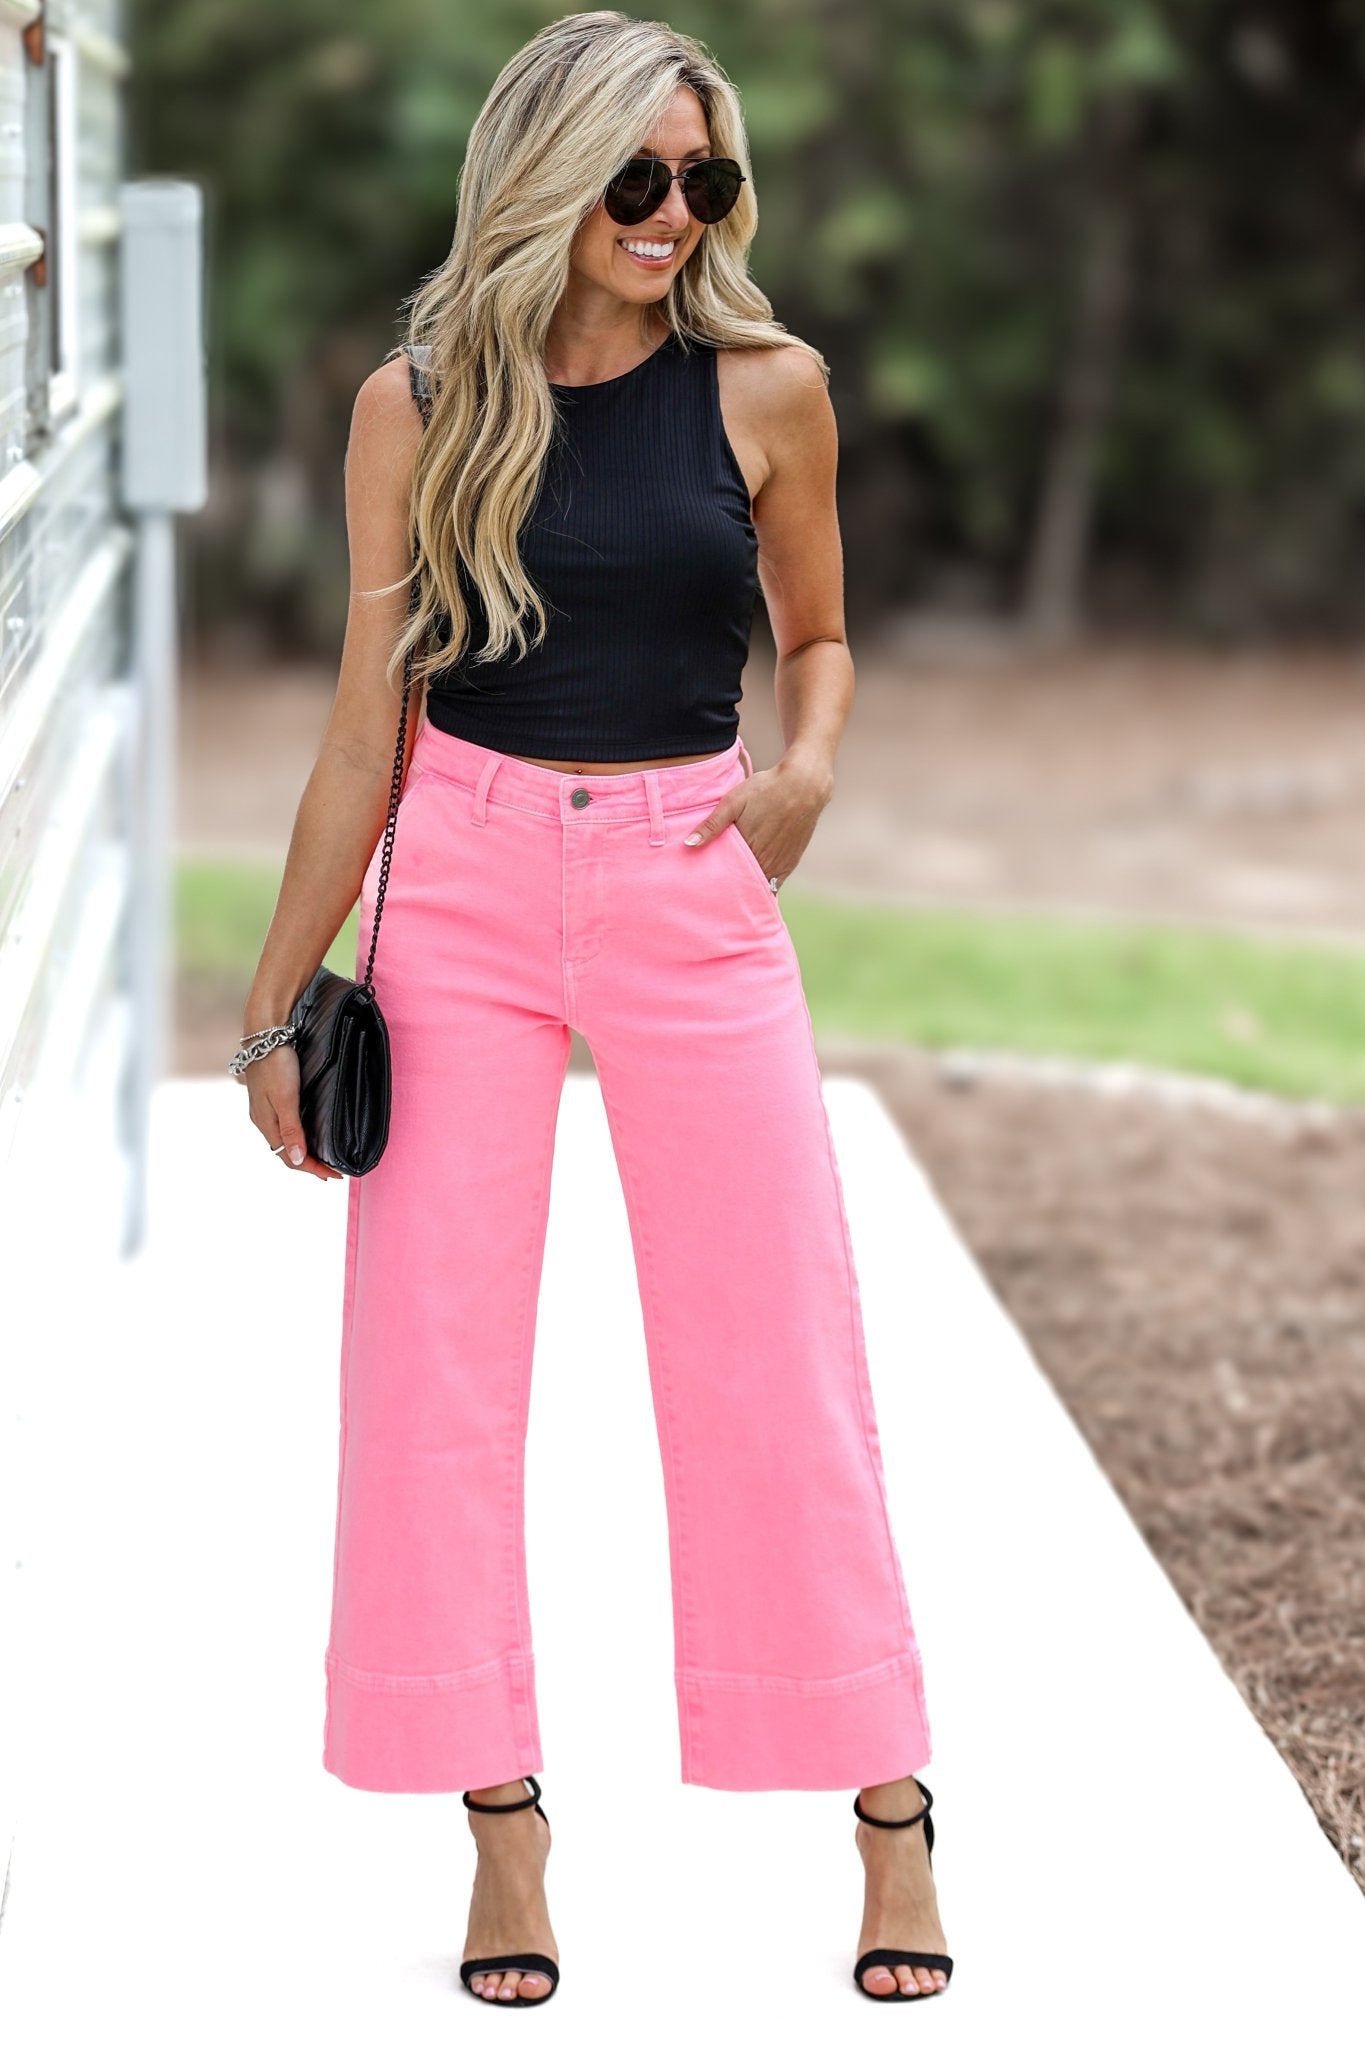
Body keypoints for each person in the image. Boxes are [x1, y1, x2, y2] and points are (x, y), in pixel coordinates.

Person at [237, 10, 952, 2010]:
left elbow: (818, 634)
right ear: (546, 175)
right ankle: (501, 1822)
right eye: (635, 177)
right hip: (458, 879)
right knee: (430, 1371)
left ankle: (887, 1805)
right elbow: (364, 730)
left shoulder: (767, 388)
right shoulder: (419, 403)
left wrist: (805, 772)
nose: (671, 214)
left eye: (703, 180)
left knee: (772, 1350)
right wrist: (274, 1001)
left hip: (686, 873)